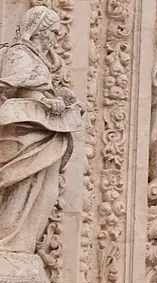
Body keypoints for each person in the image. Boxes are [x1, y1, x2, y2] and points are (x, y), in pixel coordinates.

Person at [0, 5, 82, 253]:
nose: (55, 39)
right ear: (38, 30)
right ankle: (9, 245)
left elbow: (36, 89)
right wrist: (45, 102)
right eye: (53, 32)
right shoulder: (19, 55)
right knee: (22, 189)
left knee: (44, 194)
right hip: (25, 133)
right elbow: (8, 89)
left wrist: (60, 98)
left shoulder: (35, 59)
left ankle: (20, 244)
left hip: (43, 134)